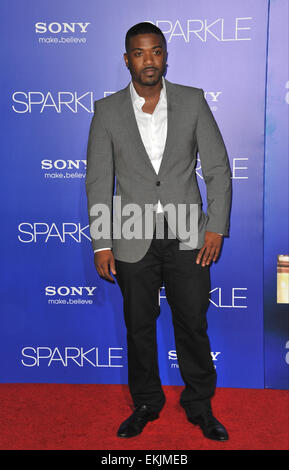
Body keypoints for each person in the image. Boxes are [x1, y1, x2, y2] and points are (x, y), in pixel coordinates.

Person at [85, 22, 232, 441]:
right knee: (138, 325)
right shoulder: (107, 110)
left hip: (189, 235)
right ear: (127, 59)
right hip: (131, 237)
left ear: (165, 56)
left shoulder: (192, 101)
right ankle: (147, 403)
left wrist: (216, 227)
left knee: (192, 323)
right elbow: (99, 181)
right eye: (139, 53)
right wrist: (101, 242)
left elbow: (218, 170)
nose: (148, 60)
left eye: (156, 52)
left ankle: (200, 406)